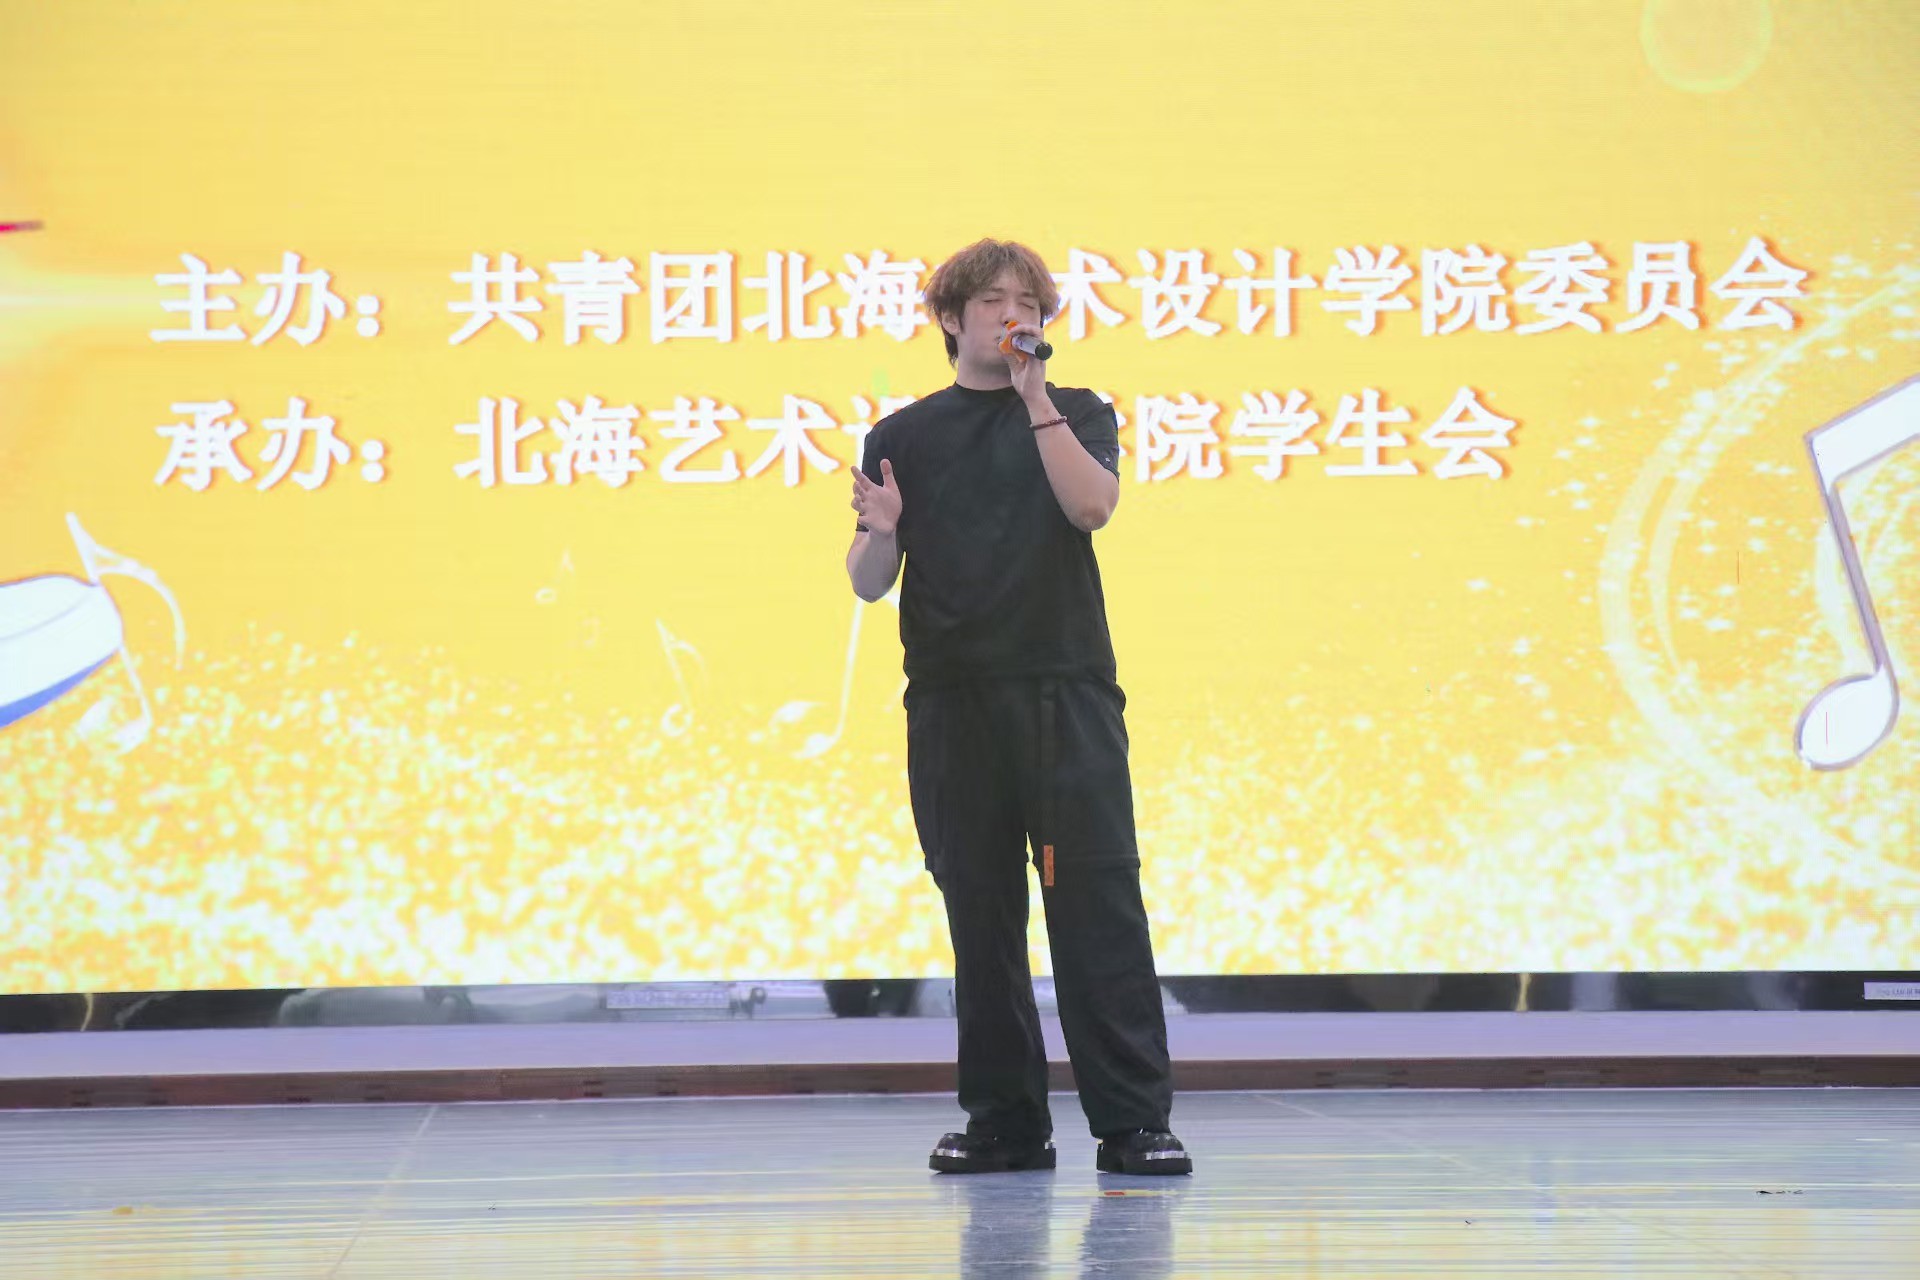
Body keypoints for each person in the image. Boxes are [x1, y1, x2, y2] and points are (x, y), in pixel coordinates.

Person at [845, 238, 1190, 1177]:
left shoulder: (1077, 411)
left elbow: (1092, 509)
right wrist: (882, 533)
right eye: (994, 300)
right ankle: (1005, 1122)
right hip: (953, 699)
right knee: (981, 913)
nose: (1014, 315)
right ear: (950, 318)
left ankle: (1133, 1124)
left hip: (1063, 690)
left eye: (1029, 302)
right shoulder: (904, 436)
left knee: (1097, 906)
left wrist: (1037, 400)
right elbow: (870, 580)